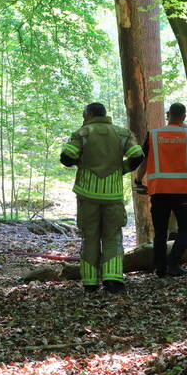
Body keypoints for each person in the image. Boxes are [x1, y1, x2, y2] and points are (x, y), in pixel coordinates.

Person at [60, 102, 144, 294]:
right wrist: (121, 169)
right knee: (113, 237)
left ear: (88, 115)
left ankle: (90, 283)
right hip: (112, 194)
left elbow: (66, 157)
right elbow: (137, 155)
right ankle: (113, 280)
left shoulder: (82, 133)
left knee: (90, 237)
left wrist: (81, 163)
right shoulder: (122, 134)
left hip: (87, 194)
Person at [133, 103, 187, 277]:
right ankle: (173, 262)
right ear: (184, 117)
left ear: (167, 114)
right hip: (181, 190)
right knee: (186, 229)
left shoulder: (153, 135)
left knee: (160, 232)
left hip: (159, 190)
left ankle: (161, 268)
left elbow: (144, 160)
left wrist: (139, 180)